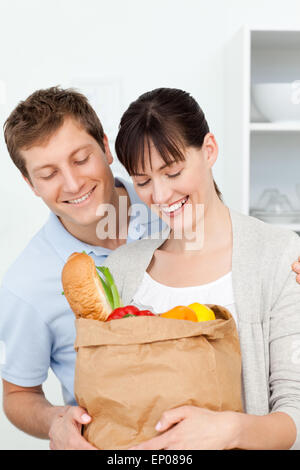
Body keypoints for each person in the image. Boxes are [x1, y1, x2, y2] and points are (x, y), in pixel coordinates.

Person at [103, 87, 300, 450]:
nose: (160, 196)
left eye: (173, 171)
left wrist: (230, 431)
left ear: (208, 150)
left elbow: (294, 411)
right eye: (143, 181)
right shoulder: (122, 270)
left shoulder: (279, 256)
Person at [0, 87, 165, 450]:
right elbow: (17, 393)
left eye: (80, 159)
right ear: (30, 184)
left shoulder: (170, 201)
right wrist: (56, 421)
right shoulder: (25, 284)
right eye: (48, 173)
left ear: (106, 147)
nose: (73, 184)